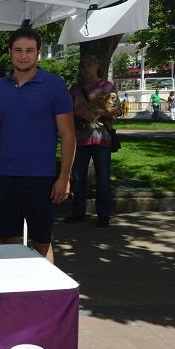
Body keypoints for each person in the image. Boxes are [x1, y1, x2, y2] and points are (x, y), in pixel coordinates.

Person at [0, 27, 75, 263]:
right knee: (8, 242)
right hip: (6, 176)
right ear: (10, 52)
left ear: (38, 53)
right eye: (18, 50)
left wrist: (64, 177)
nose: (23, 56)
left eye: (29, 50)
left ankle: (47, 298)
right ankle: (15, 296)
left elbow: (68, 134)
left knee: (42, 243)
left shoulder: (55, 86)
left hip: (41, 178)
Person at [64, 55, 121, 228]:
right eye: (83, 65)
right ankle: (78, 212)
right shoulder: (74, 89)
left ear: (97, 66)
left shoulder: (106, 87)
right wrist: (79, 112)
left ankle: (104, 215)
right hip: (79, 138)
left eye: (89, 64)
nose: (86, 68)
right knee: (78, 177)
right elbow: (65, 110)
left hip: (101, 138)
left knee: (103, 179)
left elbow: (116, 110)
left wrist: (96, 112)